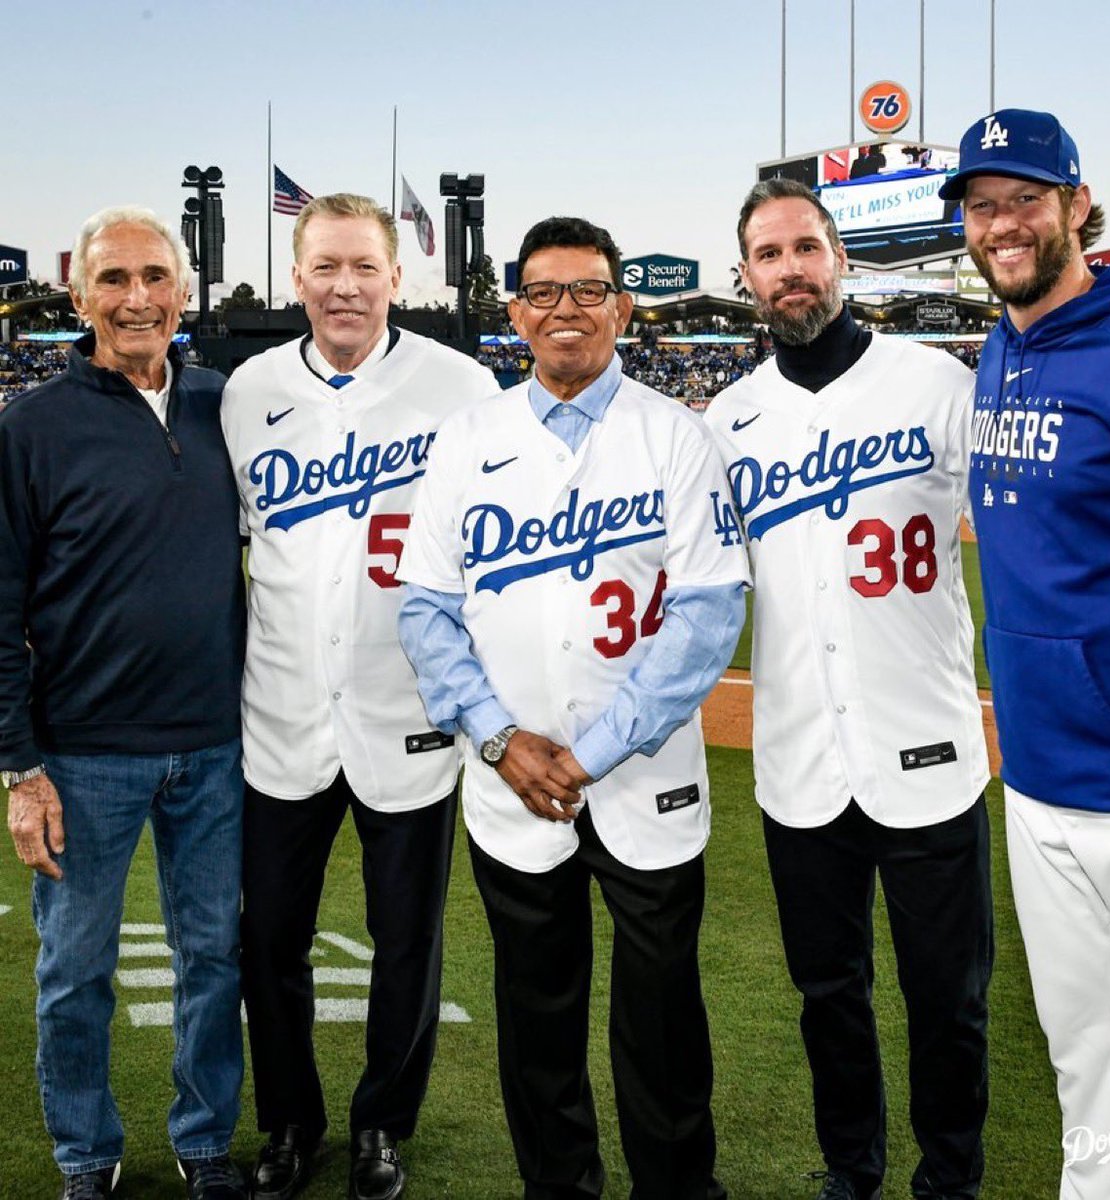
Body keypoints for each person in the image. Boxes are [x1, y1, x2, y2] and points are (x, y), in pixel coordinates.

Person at [397, 215, 748, 1199]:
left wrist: (591, 751)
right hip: (511, 781)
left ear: (621, 309)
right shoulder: (467, 440)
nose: (566, 310)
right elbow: (424, 608)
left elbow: (709, 613)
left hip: (642, 779)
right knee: (537, 1018)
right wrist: (502, 740)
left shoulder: (678, 434)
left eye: (588, 290)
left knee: (663, 1019)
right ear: (515, 312)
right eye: (545, 292)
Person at [705, 178, 992, 1200]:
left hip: (929, 746)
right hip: (800, 757)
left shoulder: (935, 385)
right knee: (829, 991)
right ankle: (851, 1168)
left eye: (806, 248)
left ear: (841, 259)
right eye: (769, 255)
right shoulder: (728, 420)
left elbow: (1019, 532)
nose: (790, 269)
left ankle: (949, 1176)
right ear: (746, 276)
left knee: (946, 997)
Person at [946, 107, 1110, 1199]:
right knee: (1086, 1063)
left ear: (1077, 205)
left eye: (1026, 201)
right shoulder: (1002, 343)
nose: (1003, 224)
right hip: (1043, 782)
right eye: (982, 206)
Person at [220, 193, 495, 1200]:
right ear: (296, 276)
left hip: (409, 715)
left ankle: (384, 1123)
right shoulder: (245, 391)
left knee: (407, 942)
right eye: (326, 266)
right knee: (269, 941)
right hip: (280, 714)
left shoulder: (462, 385)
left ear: (396, 277)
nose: (345, 286)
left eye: (364, 268)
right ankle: (290, 1122)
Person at [0, 207, 247, 1199]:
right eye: (114, 279)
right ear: (79, 296)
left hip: (217, 748)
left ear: (185, 292)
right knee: (73, 978)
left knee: (215, 965)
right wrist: (20, 767)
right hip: (80, 756)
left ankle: (204, 1143)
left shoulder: (225, 408)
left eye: (155, 276)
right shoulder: (30, 427)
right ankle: (85, 1157)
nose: (136, 297)